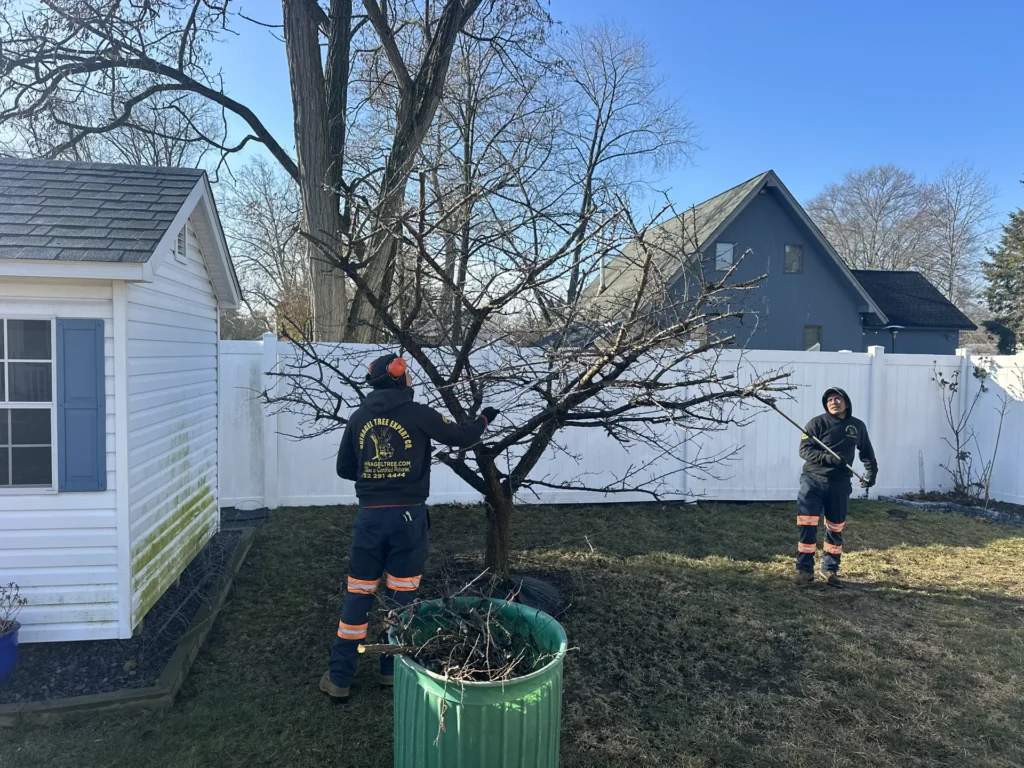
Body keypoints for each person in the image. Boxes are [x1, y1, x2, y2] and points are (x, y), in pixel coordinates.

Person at [319, 353, 499, 703]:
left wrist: (374, 471)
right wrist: (484, 418)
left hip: (369, 520)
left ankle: (339, 678)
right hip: (408, 520)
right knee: (402, 600)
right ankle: (393, 672)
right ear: (400, 379)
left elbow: (344, 468)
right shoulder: (419, 415)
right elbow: (461, 437)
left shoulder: (358, 418)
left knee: (358, 597)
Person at [794, 387, 877, 588]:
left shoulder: (857, 426)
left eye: (837, 399)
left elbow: (866, 452)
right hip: (813, 480)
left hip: (840, 484)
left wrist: (871, 473)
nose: (833, 402)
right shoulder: (816, 423)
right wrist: (827, 458)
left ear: (846, 402)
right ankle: (804, 571)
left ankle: (829, 569)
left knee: (835, 527)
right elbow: (804, 450)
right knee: (807, 525)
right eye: (829, 399)